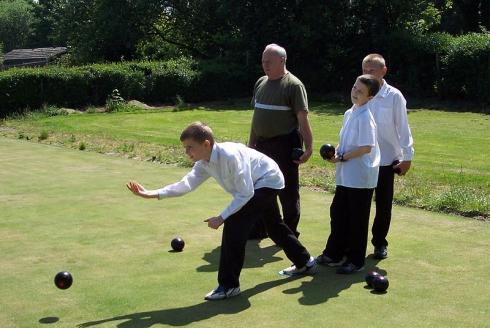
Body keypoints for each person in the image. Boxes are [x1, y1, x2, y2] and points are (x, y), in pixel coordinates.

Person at [127, 122, 316, 301]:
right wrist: (152, 193)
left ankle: (229, 286)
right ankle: (304, 261)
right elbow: (186, 184)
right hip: (257, 183)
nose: (187, 152)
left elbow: (246, 193)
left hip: (268, 179)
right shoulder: (204, 162)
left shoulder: (230, 156)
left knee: (234, 224)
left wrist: (222, 217)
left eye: (190, 147)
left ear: (206, 143)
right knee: (274, 226)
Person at [315, 75, 381, 274]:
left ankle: (356, 260)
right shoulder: (349, 113)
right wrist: (337, 153)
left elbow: (366, 147)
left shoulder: (366, 117)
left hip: (360, 177)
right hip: (346, 175)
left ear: (370, 98)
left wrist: (342, 157)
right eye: (354, 88)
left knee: (357, 220)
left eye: (360, 91)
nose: (355, 92)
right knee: (338, 214)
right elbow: (348, 143)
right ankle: (335, 253)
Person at [248, 43, 313, 239]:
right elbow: (256, 116)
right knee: (260, 186)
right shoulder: (260, 82)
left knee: (287, 190)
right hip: (262, 144)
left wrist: (309, 147)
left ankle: (290, 232)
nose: (265, 65)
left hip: (285, 144)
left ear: (282, 60)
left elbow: (302, 119)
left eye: (269, 61)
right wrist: (251, 144)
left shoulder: (293, 85)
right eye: (263, 61)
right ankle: (261, 228)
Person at [362, 54, 415, 259]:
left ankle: (379, 243)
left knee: (383, 204)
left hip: (386, 160)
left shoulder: (394, 96)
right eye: (365, 69)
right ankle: (353, 244)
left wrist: (407, 156)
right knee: (360, 204)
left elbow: (403, 128)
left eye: (371, 70)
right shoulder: (360, 92)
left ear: (383, 71)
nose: (367, 73)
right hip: (362, 159)